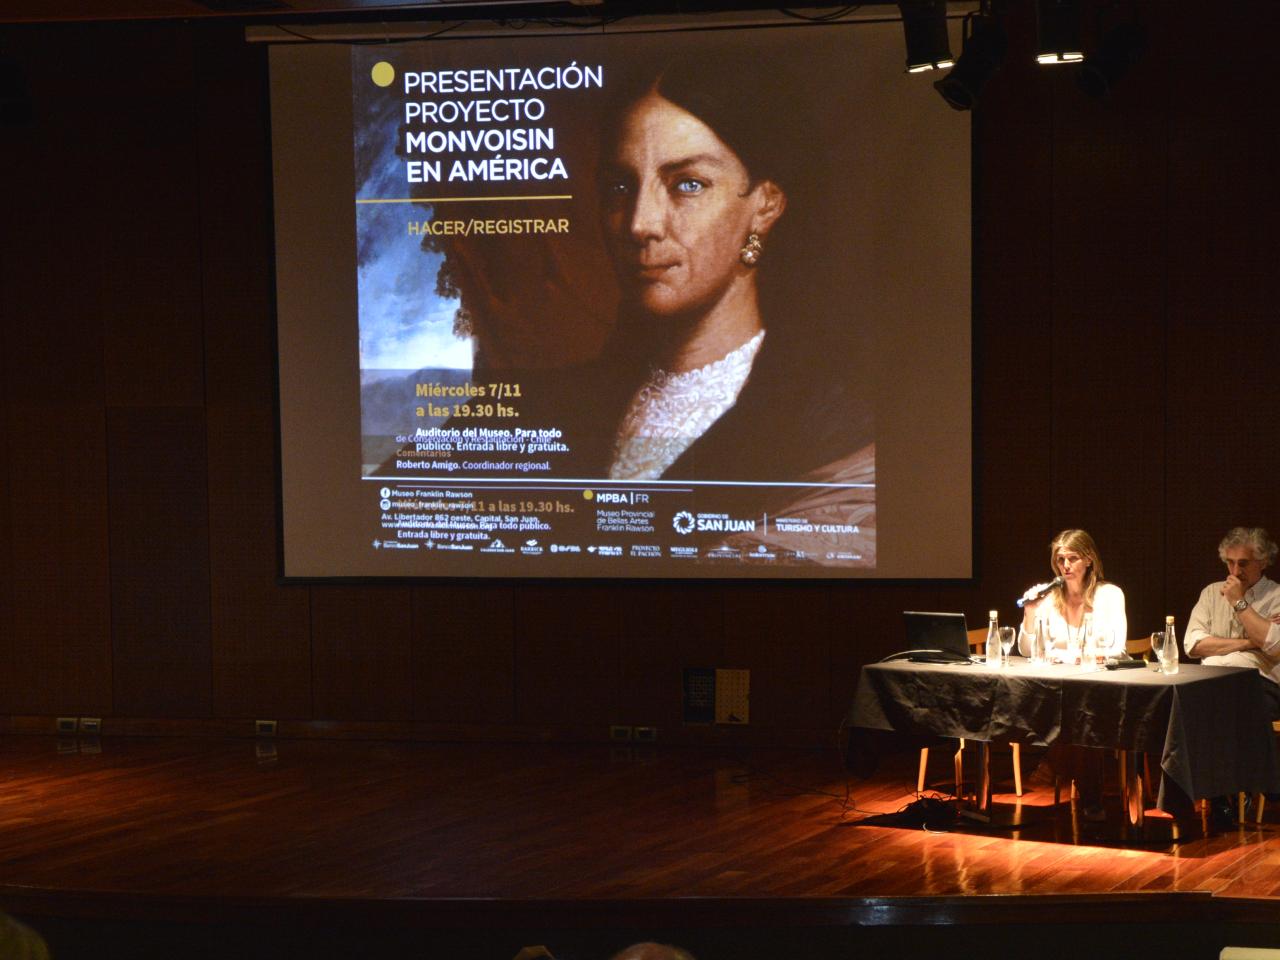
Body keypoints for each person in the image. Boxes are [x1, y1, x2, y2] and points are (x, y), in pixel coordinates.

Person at [1184, 527, 1280, 714]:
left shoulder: (1276, 596)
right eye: (1230, 562)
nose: (1235, 572)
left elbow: (1274, 645)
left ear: (1263, 562)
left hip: (1257, 685)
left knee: (1219, 711)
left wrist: (1238, 601)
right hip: (1208, 681)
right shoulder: (1212, 592)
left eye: (1243, 563)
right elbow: (1194, 645)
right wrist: (1250, 642)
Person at [1018, 528, 1128, 659]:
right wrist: (1029, 612)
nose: (1066, 565)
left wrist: (1071, 656)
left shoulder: (1111, 595)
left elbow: (1118, 651)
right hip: (1061, 678)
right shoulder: (1049, 599)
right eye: (1060, 559)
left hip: (1102, 676)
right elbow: (1026, 651)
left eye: (1073, 558)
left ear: (1089, 560)